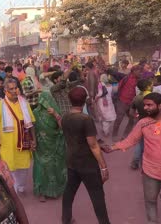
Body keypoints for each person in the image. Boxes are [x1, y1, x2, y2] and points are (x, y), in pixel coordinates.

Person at [104, 92, 161, 224]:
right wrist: (112, 148)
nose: (145, 108)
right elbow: (131, 140)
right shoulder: (143, 123)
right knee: (150, 201)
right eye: (145, 105)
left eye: (149, 105)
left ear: (160, 106)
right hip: (150, 171)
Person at [61, 87, 110, 224]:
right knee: (97, 195)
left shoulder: (65, 116)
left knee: (69, 192)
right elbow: (92, 145)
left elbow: (76, 137)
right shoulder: (85, 119)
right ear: (84, 100)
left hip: (72, 161)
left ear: (70, 100)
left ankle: (66, 219)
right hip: (87, 163)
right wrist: (104, 167)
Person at [0, 78, 36, 194]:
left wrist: (34, 140)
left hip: (23, 145)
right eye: (11, 89)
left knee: (23, 169)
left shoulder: (24, 103)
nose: (14, 91)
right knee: (9, 170)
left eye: (16, 88)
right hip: (7, 147)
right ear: (5, 91)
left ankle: (20, 188)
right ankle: (12, 194)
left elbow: (31, 123)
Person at [32, 92, 66, 202]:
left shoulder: (56, 112)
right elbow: (31, 127)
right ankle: (41, 192)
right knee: (41, 167)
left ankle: (55, 190)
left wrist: (55, 114)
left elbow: (62, 128)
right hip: (41, 145)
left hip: (54, 144)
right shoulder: (35, 113)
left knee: (55, 167)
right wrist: (34, 140)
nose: (45, 104)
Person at [129, 79, 153, 170]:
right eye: (151, 84)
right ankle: (146, 166)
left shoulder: (136, 98)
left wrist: (138, 116)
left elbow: (131, 113)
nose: (152, 86)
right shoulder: (153, 97)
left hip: (140, 122)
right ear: (147, 87)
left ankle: (135, 162)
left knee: (139, 143)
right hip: (152, 123)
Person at [113, 65, 142, 138]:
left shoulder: (139, 80)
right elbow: (119, 87)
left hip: (132, 103)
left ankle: (125, 135)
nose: (140, 73)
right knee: (119, 119)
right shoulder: (126, 78)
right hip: (122, 101)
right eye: (139, 71)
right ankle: (114, 135)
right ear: (134, 71)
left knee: (132, 119)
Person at [94, 74, 116, 140]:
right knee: (108, 116)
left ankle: (105, 132)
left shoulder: (100, 84)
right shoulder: (110, 85)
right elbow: (112, 94)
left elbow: (100, 93)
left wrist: (95, 98)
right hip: (109, 101)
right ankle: (106, 130)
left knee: (103, 116)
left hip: (102, 102)